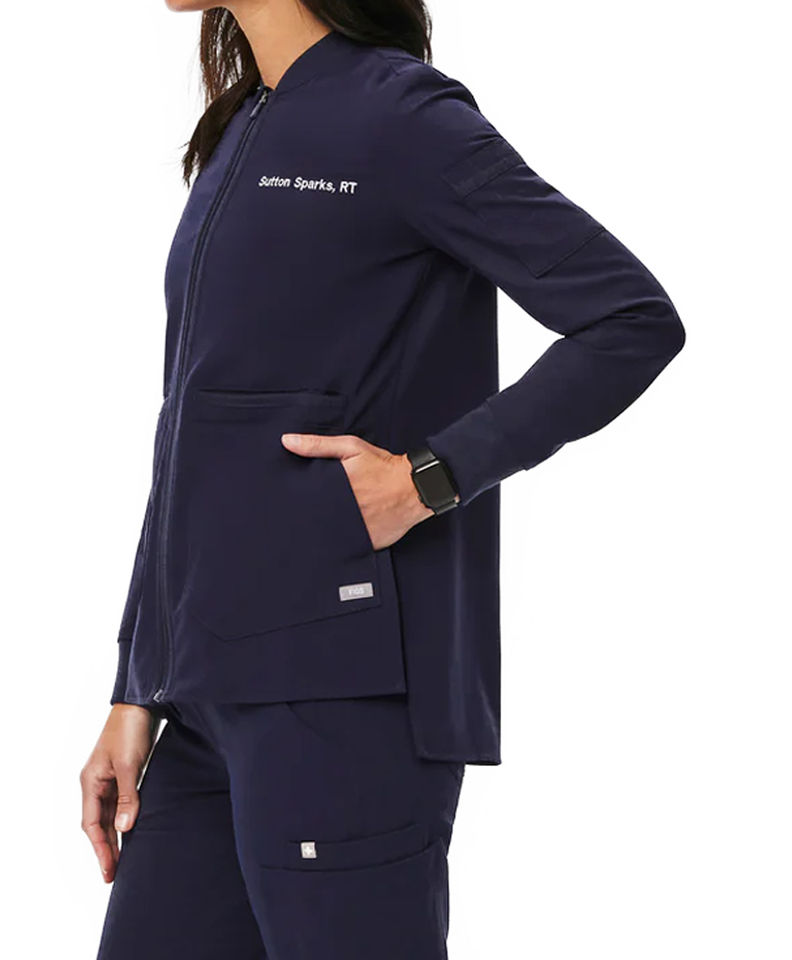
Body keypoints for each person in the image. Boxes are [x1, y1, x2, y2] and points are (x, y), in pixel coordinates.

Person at [81, 2, 685, 957]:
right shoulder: (244, 123)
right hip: (205, 700)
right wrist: (137, 685)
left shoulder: (400, 117)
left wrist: (432, 477)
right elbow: (192, 435)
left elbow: (629, 319)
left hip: (343, 700)